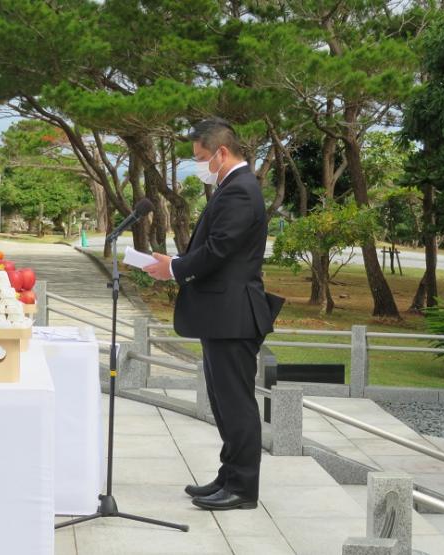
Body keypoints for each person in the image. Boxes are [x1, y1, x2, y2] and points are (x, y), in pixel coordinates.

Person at [143, 118, 283, 510]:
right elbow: (216, 249)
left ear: (222, 152)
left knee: (236, 403)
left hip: (234, 313)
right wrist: (175, 261)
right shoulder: (231, 187)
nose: (200, 165)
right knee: (224, 402)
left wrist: (173, 267)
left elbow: (220, 249)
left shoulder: (240, 190)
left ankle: (242, 489)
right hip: (222, 313)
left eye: (202, 157)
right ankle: (228, 475)